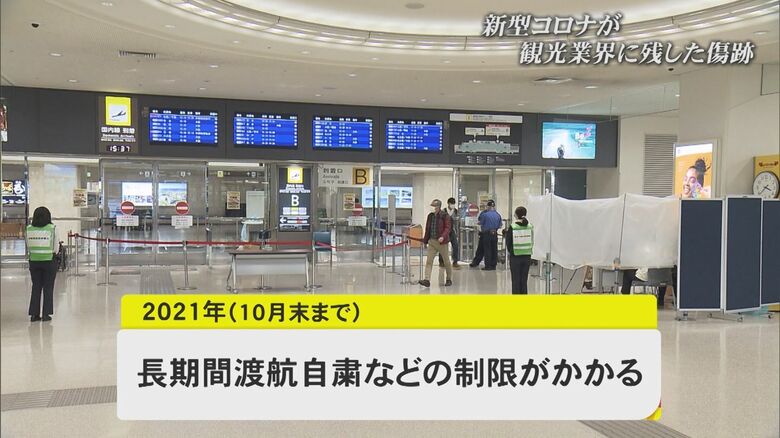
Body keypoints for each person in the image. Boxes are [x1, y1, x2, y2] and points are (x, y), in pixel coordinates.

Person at [26, 206, 57, 322]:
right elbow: (56, 247)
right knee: (48, 288)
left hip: (34, 261)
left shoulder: (28, 229)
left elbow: (28, 245)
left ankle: (34, 315)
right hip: (49, 261)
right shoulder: (52, 228)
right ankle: (46, 314)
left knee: (36, 287)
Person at [418, 199, 453, 288]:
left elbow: (448, 228)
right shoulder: (430, 216)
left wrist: (443, 236)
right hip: (432, 242)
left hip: (442, 243)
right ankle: (427, 280)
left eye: (434, 206)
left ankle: (449, 279)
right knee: (429, 261)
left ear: (438, 207)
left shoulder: (445, 216)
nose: (432, 208)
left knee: (446, 261)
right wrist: (425, 241)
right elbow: (427, 229)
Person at [504, 206, 533, 294]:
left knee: (516, 281)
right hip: (527, 256)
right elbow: (532, 240)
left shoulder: (513, 227)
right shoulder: (530, 226)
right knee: (524, 280)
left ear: (516, 215)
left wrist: (511, 251)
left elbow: (508, 242)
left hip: (515, 256)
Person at [470, 199, 502, 271]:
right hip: (494, 234)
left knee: (487, 250)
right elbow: (500, 225)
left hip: (486, 234)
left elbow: (480, 222)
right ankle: (493, 265)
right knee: (494, 249)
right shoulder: (498, 215)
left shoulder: (484, 214)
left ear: (488, 206)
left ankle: (487, 266)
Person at [438, 197, 461, 269]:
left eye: (454, 204)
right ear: (448, 203)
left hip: (452, 231)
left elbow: (458, 223)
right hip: (444, 231)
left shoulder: (456, 212)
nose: (453, 205)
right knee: (443, 246)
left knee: (455, 245)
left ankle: (455, 261)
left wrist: (457, 233)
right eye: (451, 204)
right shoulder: (443, 211)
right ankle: (441, 261)